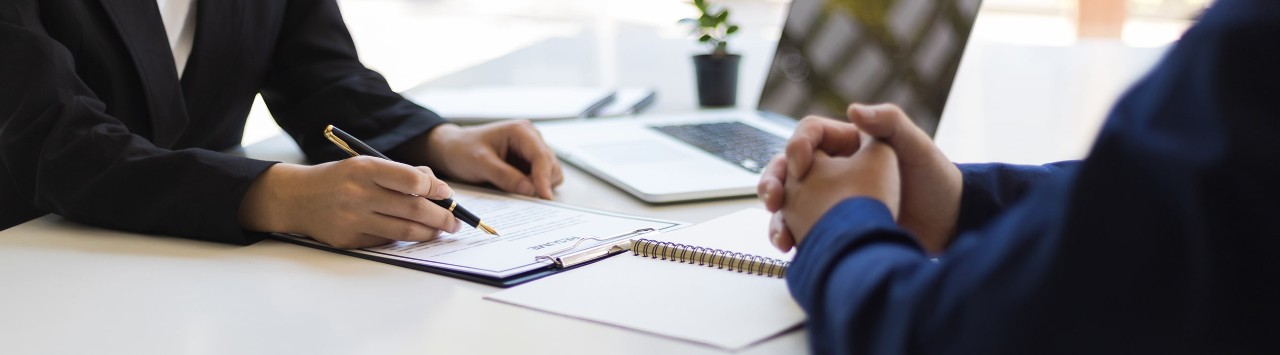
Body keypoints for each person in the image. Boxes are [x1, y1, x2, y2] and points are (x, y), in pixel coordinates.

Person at [758, 0, 1280, 353]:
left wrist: (838, 227)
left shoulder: (1252, 43)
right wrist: (964, 201)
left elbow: (944, 336)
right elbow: (1168, 200)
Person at [0, 0, 562, 249]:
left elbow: (316, 71)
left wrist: (439, 139)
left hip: (190, 272)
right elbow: (53, 138)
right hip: (33, 263)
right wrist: (277, 196)